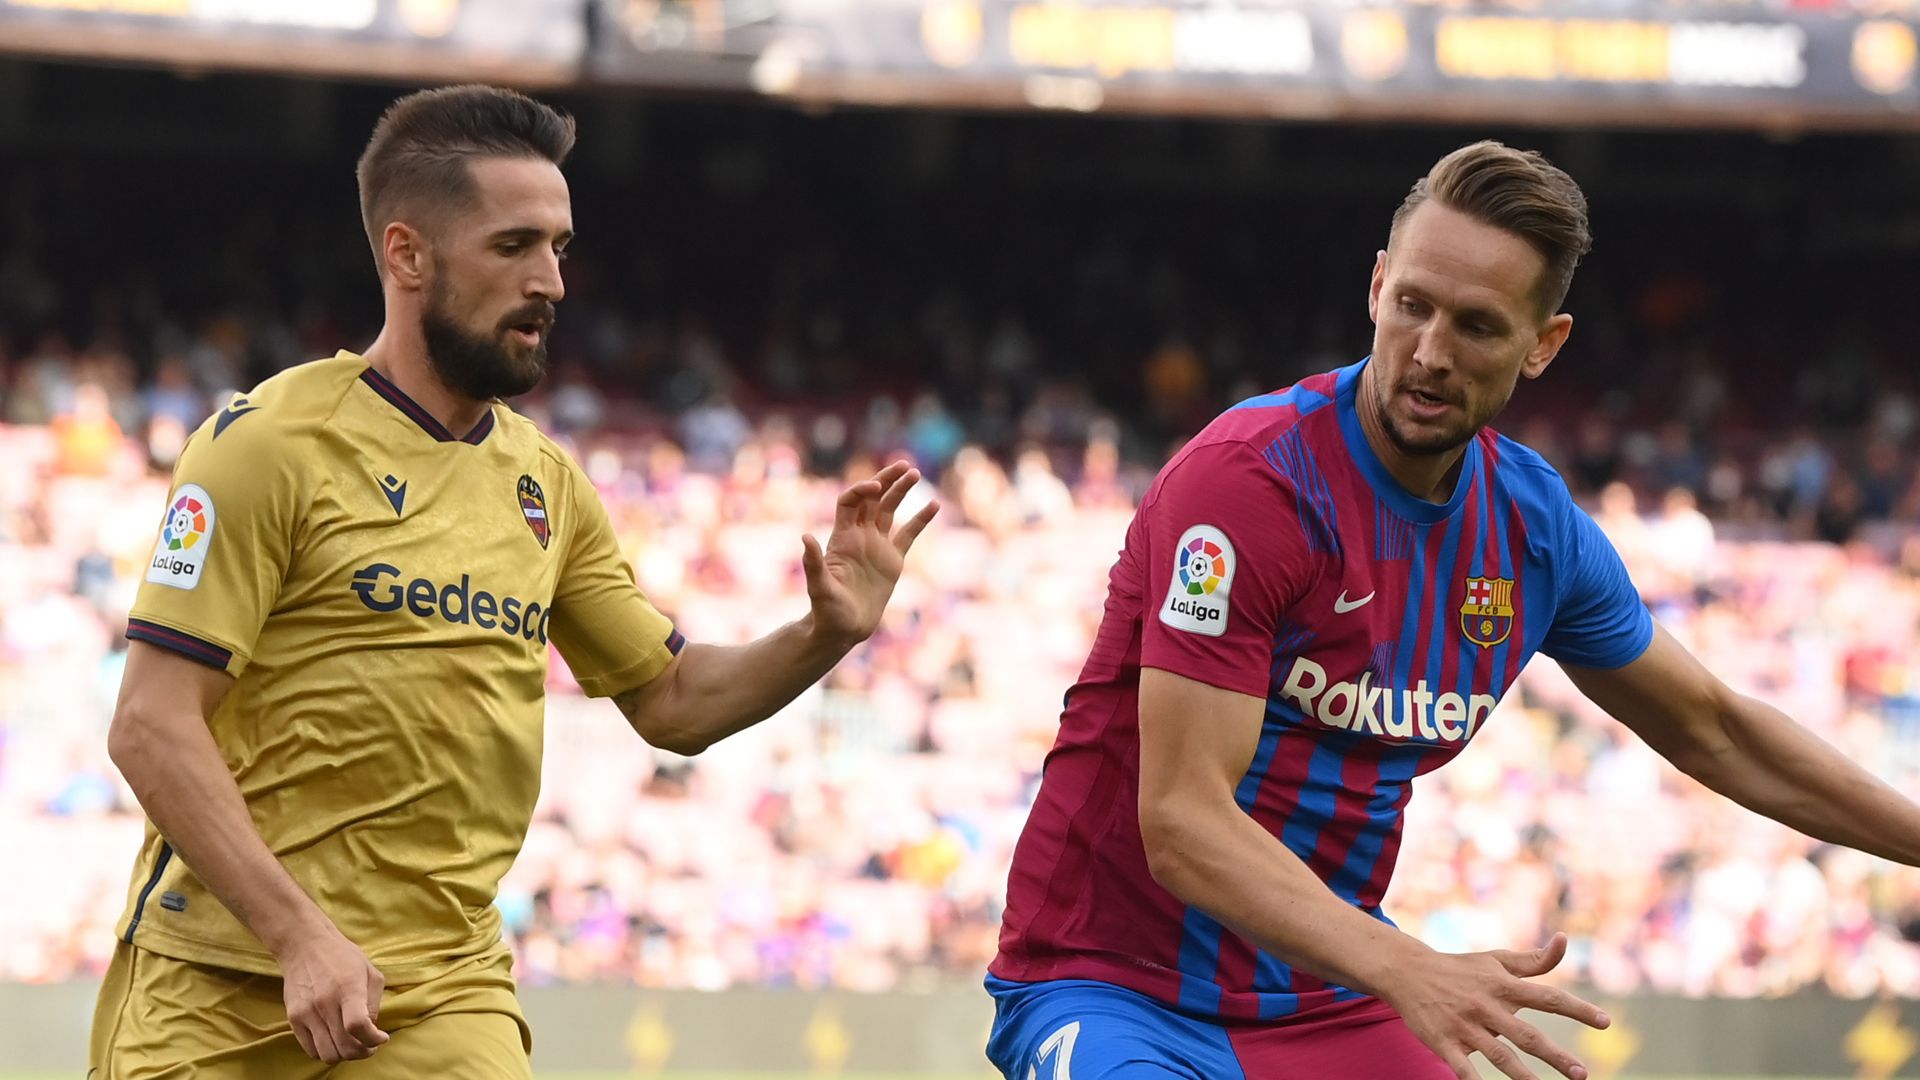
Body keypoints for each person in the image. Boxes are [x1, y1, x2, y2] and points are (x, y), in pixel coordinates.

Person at [985, 140, 1920, 1080]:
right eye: (1413, 306)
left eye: (1476, 325)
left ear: (1542, 344)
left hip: (1326, 998)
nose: (1429, 355)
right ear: (1377, 286)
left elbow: (1717, 729)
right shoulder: (1250, 486)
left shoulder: (1533, 530)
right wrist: (1406, 966)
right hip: (1109, 984)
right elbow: (1184, 820)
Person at [89, 85, 937, 1079]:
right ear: (407, 254)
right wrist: (298, 937)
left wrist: (822, 634)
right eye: (513, 246)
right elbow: (150, 723)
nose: (552, 281)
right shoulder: (268, 447)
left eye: (560, 248)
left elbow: (669, 701)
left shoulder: (544, 484)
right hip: (220, 989)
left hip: (442, 999)